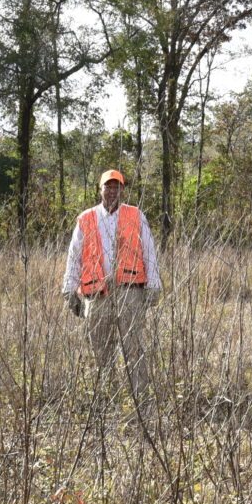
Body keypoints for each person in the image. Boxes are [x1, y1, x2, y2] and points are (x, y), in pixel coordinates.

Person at [60, 169, 161, 404]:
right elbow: (74, 256)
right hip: (96, 295)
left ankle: (141, 400)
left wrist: (153, 285)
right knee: (100, 350)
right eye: (108, 186)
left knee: (133, 348)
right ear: (100, 189)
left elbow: (149, 251)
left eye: (117, 186)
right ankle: (108, 399)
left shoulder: (135, 215)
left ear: (122, 190)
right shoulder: (86, 219)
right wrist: (69, 289)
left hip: (130, 292)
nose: (112, 191)